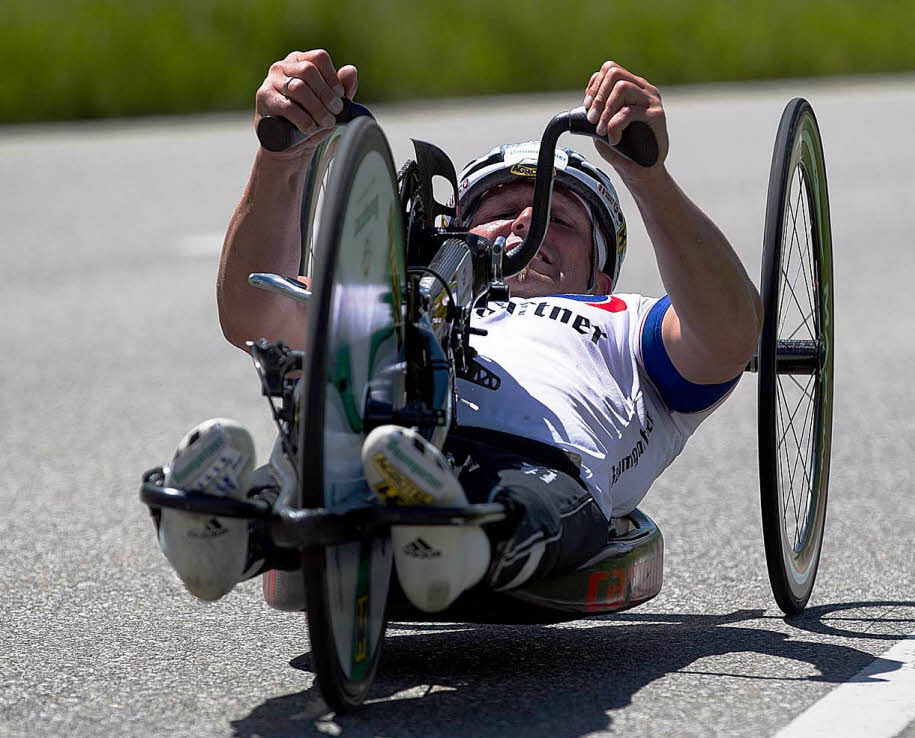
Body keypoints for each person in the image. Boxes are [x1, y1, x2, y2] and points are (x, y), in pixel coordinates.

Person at [156, 51, 763, 611]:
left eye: (560, 218)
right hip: (371, 433)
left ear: (600, 273)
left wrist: (647, 176)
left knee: (533, 501)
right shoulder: (395, 298)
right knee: (301, 468)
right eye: (500, 209)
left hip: (532, 463)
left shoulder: (627, 320)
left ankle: (446, 524)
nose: (526, 217)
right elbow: (252, 312)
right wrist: (281, 156)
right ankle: (224, 530)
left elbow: (730, 336)